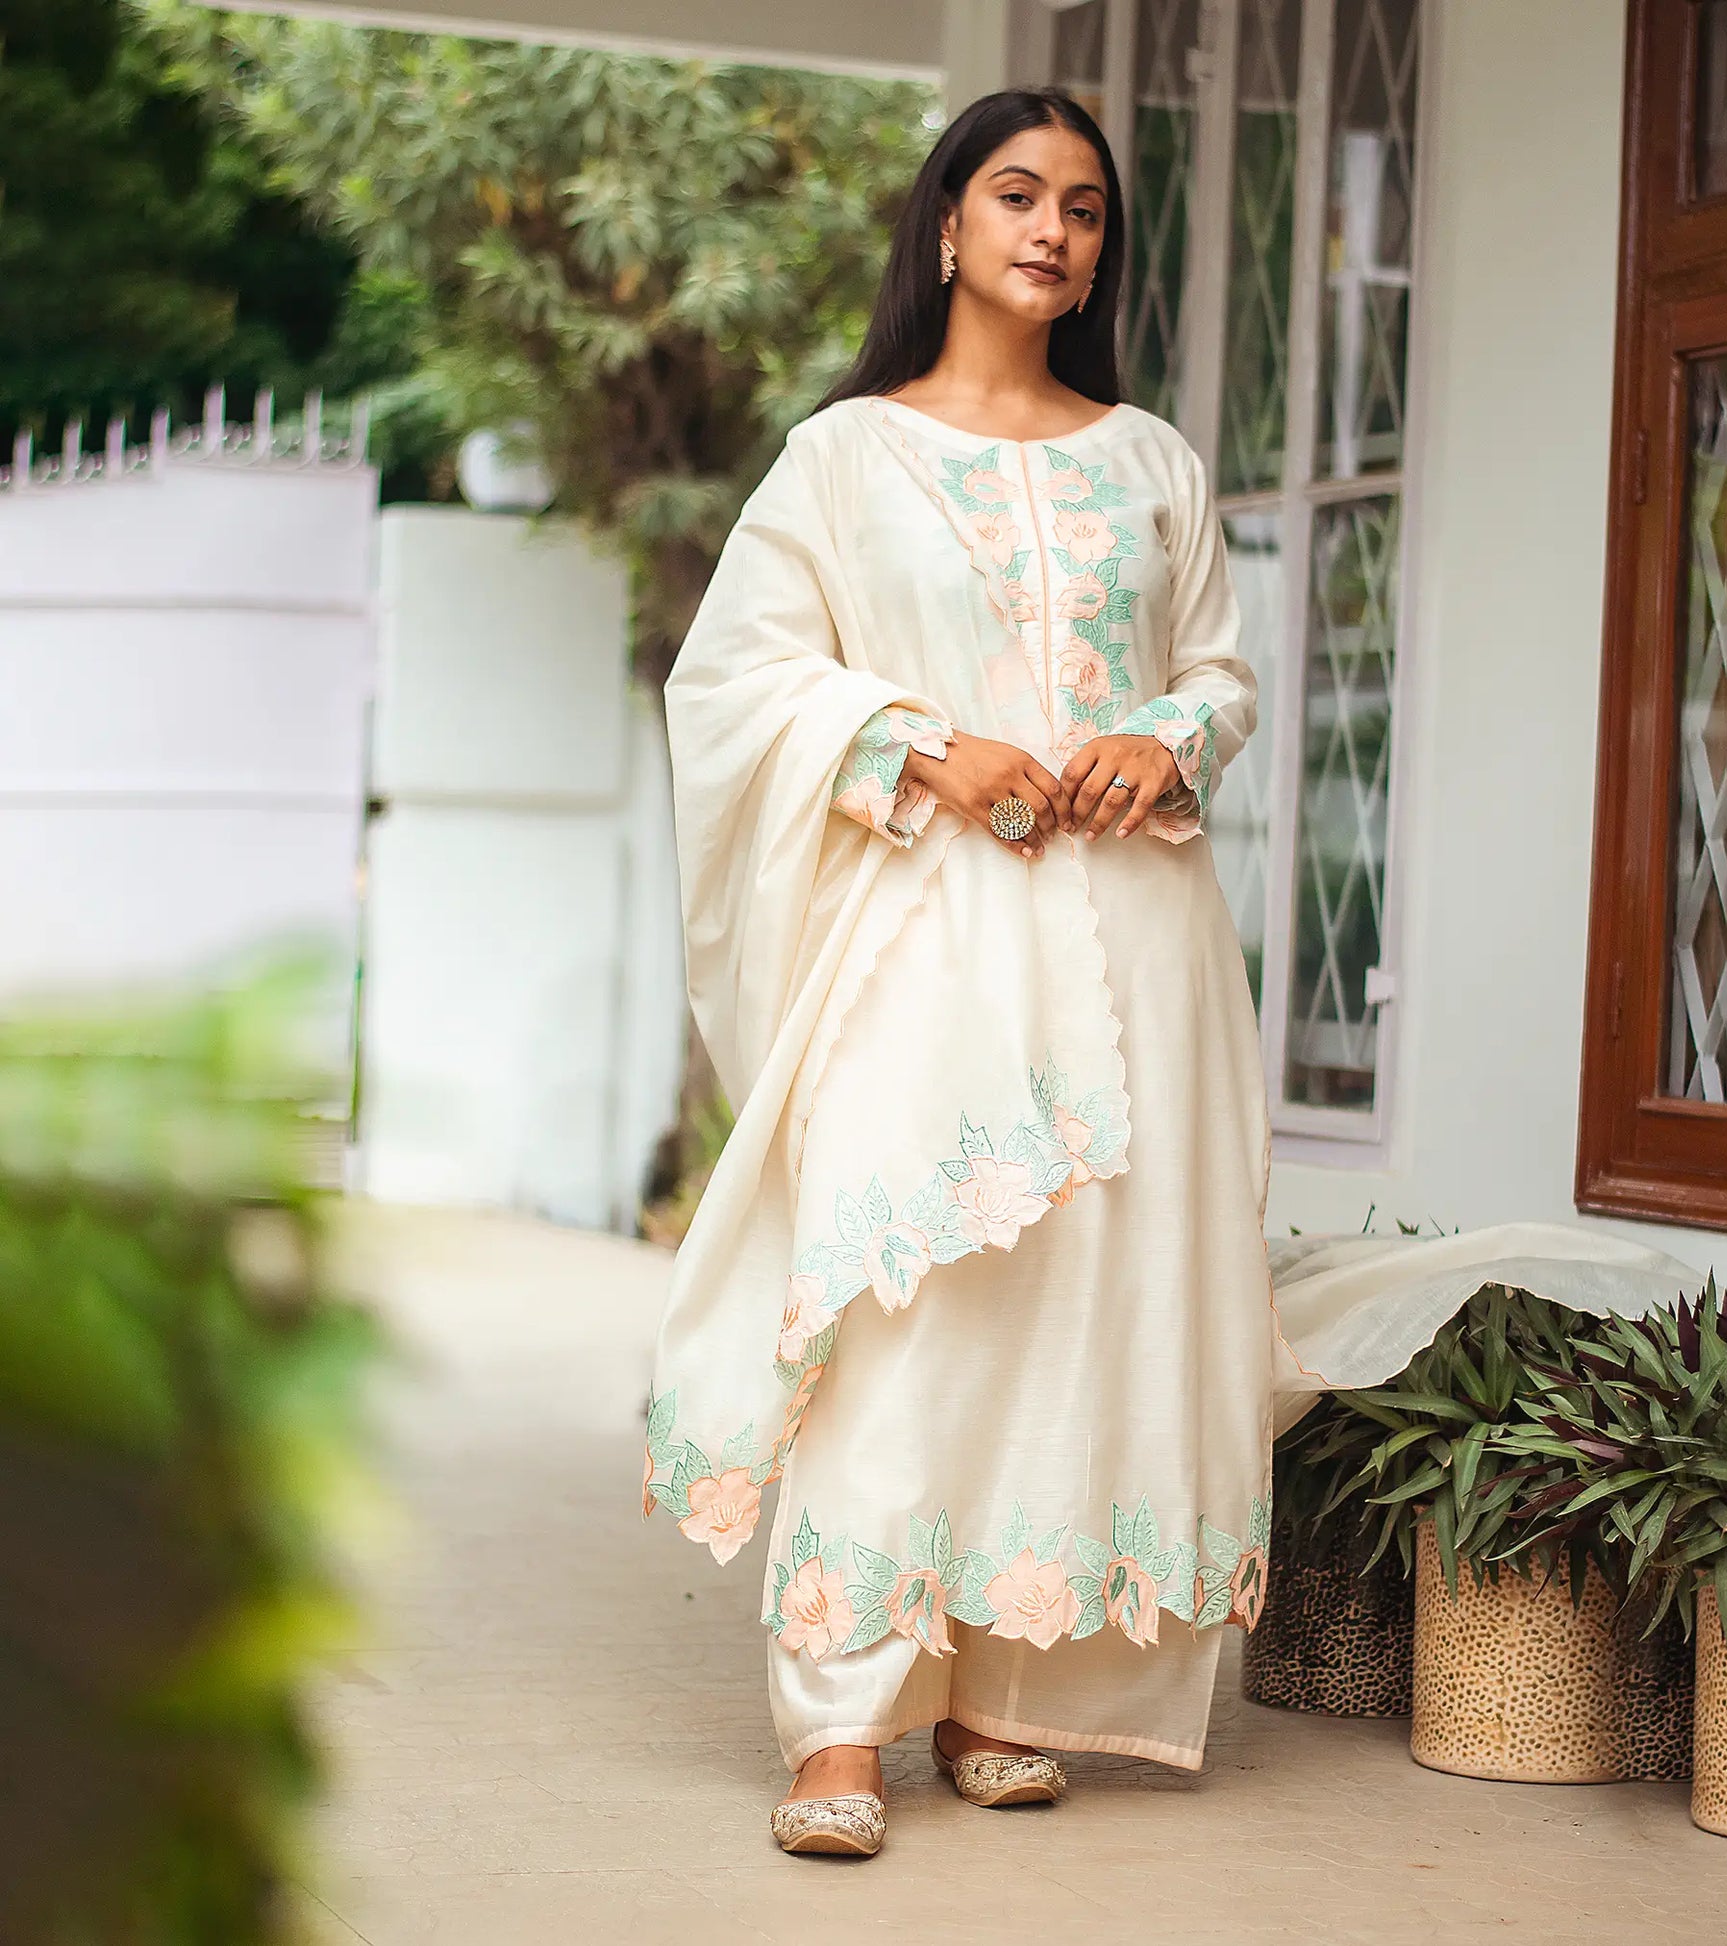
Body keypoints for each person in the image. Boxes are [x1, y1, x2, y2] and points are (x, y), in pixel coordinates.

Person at [643, 85, 1279, 1858]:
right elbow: (739, 679)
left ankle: (1004, 1693)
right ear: (944, 225)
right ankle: (839, 1719)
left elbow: (1224, 673)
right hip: (932, 923)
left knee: (1083, 1293)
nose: (1050, 229)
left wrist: (1164, 737)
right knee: (909, 1288)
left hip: (1134, 933)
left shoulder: (1150, 459)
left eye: (1082, 207)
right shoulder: (842, 457)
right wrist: (923, 746)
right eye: (1016, 193)